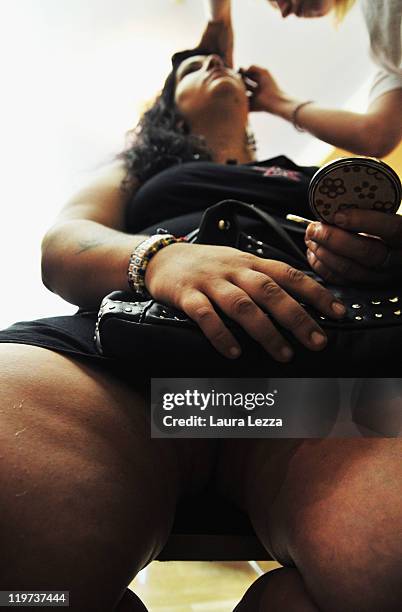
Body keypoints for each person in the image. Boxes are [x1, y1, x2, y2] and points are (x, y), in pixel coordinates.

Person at [0, 30, 401, 612]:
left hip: (311, 376)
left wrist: (383, 261)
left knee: (386, 571)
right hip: (120, 364)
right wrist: (160, 258)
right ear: (166, 108)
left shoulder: (305, 174)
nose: (213, 62)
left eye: (219, 63)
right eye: (191, 69)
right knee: (22, 575)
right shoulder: (137, 171)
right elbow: (63, 245)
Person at [203, 0, 402, 157]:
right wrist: (275, 101)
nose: (283, 12)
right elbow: (375, 135)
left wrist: (219, 21)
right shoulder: (385, 49)